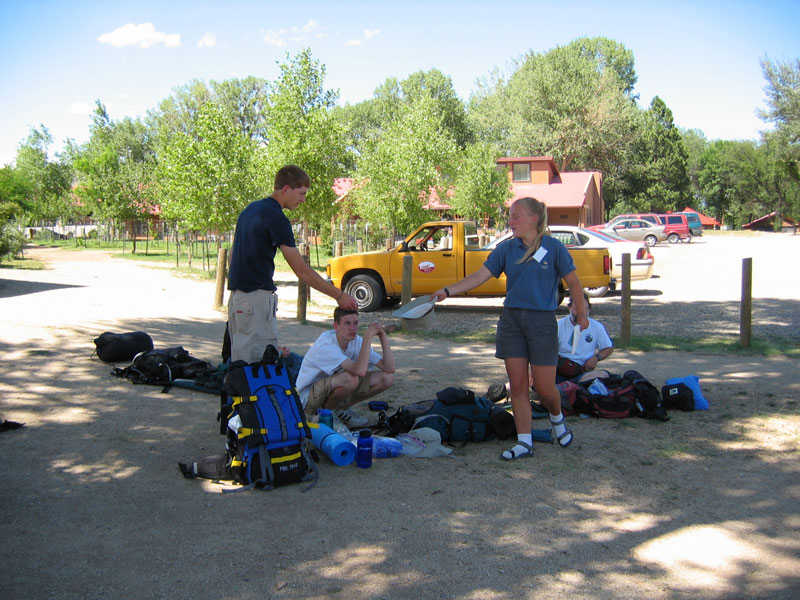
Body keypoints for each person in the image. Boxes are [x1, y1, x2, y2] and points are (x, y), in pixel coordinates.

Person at [432, 197, 588, 460]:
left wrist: (581, 312)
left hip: (542, 323)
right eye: (510, 216)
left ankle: (557, 418)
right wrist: (447, 291)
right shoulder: (506, 249)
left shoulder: (554, 248)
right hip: (512, 322)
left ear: (533, 219)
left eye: (516, 216)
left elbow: (573, 282)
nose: (510, 221)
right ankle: (524, 442)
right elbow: (480, 276)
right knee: (517, 385)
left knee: (544, 388)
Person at [226, 165, 357, 364]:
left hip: (238, 298)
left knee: (241, 363)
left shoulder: (250, 210)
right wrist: (338, 295)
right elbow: (302, 271)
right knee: (258, 367)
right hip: (255, 300)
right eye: (301, 193)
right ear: (286, 189)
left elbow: (233, 254)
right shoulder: (276, 217)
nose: (303, 199)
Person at [295, 307, 396, 428]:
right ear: (336, 326)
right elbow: (360, 371)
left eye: (355, 323)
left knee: (387, 378)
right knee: (351, 378)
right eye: (347, 323)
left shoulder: (356, 341)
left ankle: (340, 410)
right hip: (307, 399)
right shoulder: (326, 345)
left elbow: (389, 368)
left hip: (330, 388)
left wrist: (382, 336)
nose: (352, 328)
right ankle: (326, 416)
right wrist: (368, 338)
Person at [556, 294, 613, 381]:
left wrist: (596, 358)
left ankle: (575, 385)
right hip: (560, 370)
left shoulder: (596, 327)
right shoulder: (559, 325)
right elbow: (547, 351)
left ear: (589, 309)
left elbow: (608, 348)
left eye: (585, 310)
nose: (581, 313)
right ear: (569, 307)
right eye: (577, 309)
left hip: (582, 371)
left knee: (604, 375)